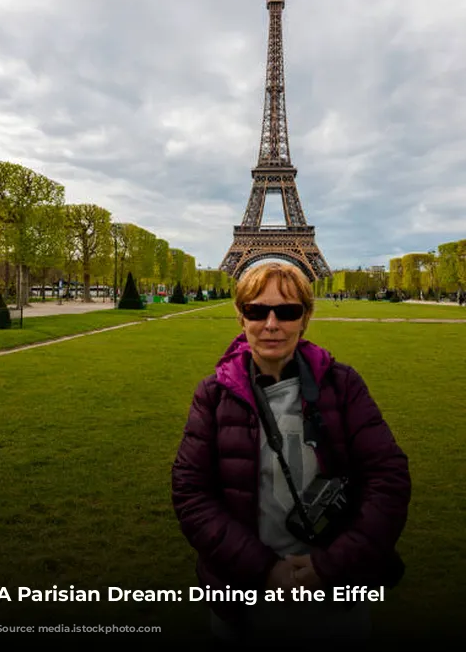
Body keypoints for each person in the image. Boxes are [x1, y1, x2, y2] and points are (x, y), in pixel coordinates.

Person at [172, 262, 411, 647]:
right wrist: (265, 571)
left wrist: (328, 567)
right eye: (256, 310)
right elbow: (191, 494)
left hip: (333, 593)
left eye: (287, 311)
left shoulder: (344, 385)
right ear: (240, 316)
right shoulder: (212, 395)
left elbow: (388, 479)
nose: (271, 323)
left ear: (305, 318)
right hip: (246, 595)